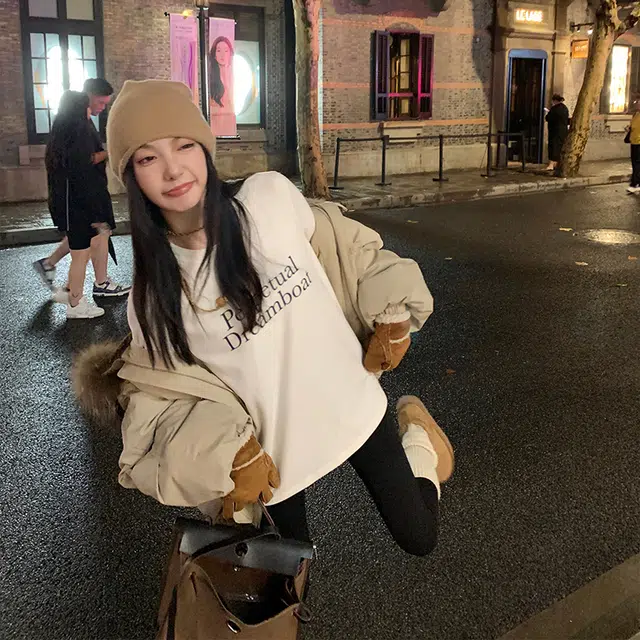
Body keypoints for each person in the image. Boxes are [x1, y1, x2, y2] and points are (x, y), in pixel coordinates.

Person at [73, 80, 454, 555]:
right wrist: (225, 454)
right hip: (271, 458)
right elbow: (169, 402)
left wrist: (390, 311)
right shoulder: (152, 300)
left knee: (418, 536)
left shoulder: (268, 197)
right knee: (286, 582)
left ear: (205, 148)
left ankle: (419, 439)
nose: (173, 169)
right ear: (131, 176)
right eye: (148, 158)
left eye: (184, 145)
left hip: (352, 401)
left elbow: (343, 249)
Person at [34, 78, 128, 301]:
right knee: (88, 242)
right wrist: (112, 152)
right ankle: (77, 297)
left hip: (84, 193)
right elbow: (84, 159)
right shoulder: (76, 124)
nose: (102, 108)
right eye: (101, 103)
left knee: (91, 237)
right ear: (88, 97)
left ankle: (66, 280)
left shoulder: (72, 121)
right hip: (83, 194)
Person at [209, 37, 235, 136]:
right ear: (214, 54)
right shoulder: (210, 78)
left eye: (226, 51)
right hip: (215, 126)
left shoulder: (233, 76)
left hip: (229, 124)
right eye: (219, 50)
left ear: (230, 54)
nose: (222, 55)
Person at [544, 94, 570, 172]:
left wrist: (547, 113)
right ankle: (557, 164)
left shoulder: (554, 109)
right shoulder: (565, 108)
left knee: (553, 147)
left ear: (554, 100)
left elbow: (548, 118)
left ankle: (551, 164)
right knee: (559, 147)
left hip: (554, 131)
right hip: (563, 131)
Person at [626, 99, 640, 194]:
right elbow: (632, 126)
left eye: (638, 103)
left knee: (637, 163)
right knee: (634, 163)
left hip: (639, 142)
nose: (636, 104)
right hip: (633, 141)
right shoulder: (635, 114)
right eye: (636, 102)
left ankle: (635, 184)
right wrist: (628, 128)